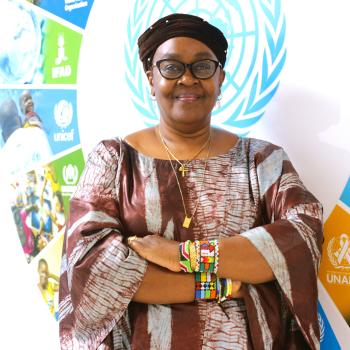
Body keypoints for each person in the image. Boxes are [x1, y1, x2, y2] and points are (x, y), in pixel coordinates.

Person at [59, 13, 323, 349]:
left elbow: (302, 236)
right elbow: (95, 270)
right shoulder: (114, 161)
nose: (187, 78)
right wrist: (223, 285)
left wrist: (185, 255)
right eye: (171, 66)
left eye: (202, 66)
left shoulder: (261, 161)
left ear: (220, 78)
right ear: (151, 78)